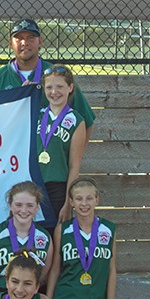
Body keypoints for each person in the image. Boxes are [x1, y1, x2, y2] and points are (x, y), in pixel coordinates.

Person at [0, 18, 96, 143]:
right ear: (10, 43)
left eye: (31, 37)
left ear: (40, 41)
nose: (24, 42)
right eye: (19, 38)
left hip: (49, 158)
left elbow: (87, 120)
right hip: (10, 158)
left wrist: (72, 159)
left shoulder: (58, 76)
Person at [46, 178, 124, 299]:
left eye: (89, 198)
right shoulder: (62, 230)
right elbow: (56, 268)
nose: (84, 203)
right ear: (71, 202)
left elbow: (111, 270)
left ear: (97, 200)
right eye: (79, 199)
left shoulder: (108, 229)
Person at [0, 181, 53, 299]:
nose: (24, 210)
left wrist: (26, 287)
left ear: (37, 207)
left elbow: (44, 273)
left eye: (30, 205)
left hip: (27, 296)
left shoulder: (44, 237)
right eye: (18, 205)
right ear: (10, 205)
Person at [37, 64, 87, 225]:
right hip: (33, 185)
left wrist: (68, 203)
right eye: (49, 87)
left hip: (58, 188)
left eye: (60, 86)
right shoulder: (35, 115)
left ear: (70, 88)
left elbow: (74, 165)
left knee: (55, 234)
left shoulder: (77, 121)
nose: (54, 92)